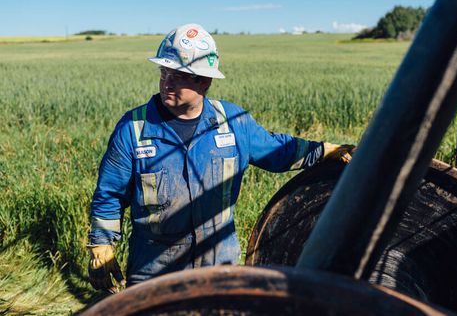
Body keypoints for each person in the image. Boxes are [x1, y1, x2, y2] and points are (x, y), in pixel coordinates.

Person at [87, 23, 355, 292]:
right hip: (154, 270)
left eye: (178, 75)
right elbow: (110, 193)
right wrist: (102, 243)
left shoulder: (232, 123)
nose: (167, 83)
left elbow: (278, 151)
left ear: (204, 81)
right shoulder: (133, 129)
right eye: (164, 72)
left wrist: (324, 151)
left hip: (219, 266)